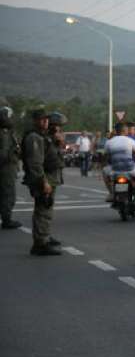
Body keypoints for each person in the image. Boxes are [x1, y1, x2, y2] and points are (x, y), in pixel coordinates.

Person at [21, 109, 63, 255]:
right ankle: (40, 244)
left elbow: (53, 155)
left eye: (46, 119)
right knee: (42, 209)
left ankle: (44, 236)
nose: (45, 122)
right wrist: (43, 182)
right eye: (41, 119)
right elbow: (35, 163)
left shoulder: (44, 136)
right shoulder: (34, 137)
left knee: (46, 209)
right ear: (35, 121)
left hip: (49, 178)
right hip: (42, 178)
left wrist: (57, 141)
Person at [103, 123, 135, 218]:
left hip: (115, 170)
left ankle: (111, 193)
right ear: (124, 131)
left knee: (104, 171)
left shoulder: (109, 142)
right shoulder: (131, 140)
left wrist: (107, 166)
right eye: (128, 130)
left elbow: (106, 157)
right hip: (130, 168)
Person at [0, 106, 22, 230]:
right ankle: (7, 220)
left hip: (8, 167)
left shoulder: (7, 132)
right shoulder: (4, 134)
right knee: (8, 194)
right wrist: (13, 153)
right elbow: (4, 153)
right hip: (6, 168)